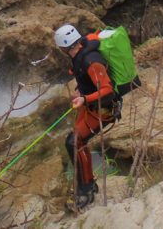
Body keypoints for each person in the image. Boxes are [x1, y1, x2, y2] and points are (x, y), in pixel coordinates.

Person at [54, 23, 117, 210]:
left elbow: (108, 91)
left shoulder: (91, 61)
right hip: (92, 106)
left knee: (73, 142)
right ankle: (88, 184)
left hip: (103, 110)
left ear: (63, 47)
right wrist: (82, 91)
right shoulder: (81, 52)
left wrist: (84, 98)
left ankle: (86, 191)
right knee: (76, 142)